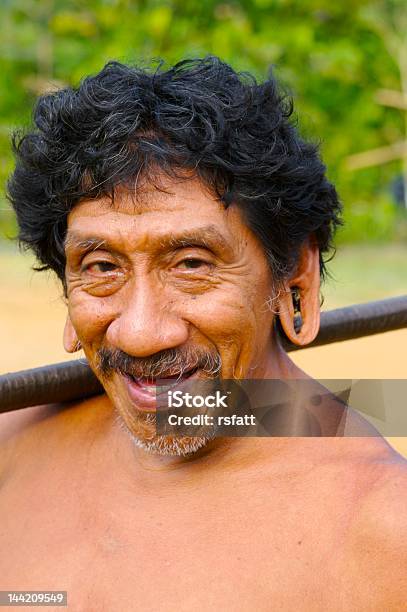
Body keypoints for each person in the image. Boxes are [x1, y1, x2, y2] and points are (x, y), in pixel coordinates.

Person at [1, 56, 406, 610]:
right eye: (101, 267)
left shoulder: (382, 535)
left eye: (191, 263)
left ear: (297, 277)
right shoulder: (14, 449)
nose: (142, 333)